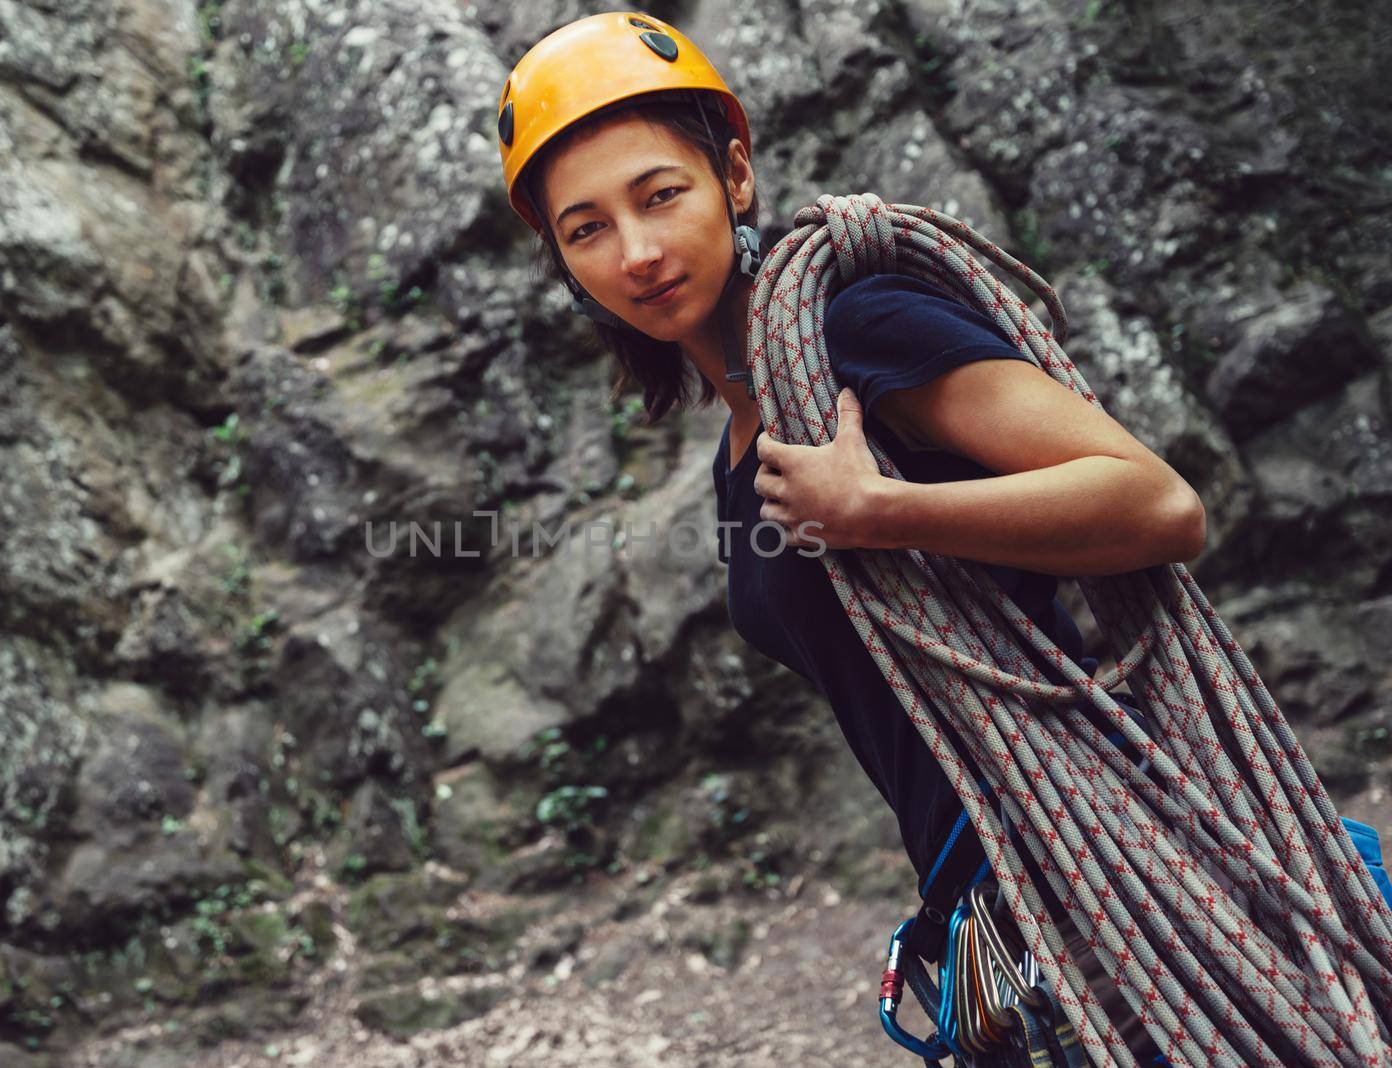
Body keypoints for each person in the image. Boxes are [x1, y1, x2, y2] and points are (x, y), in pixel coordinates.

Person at [496, 12, 1200, 1064]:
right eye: (586, 229)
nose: (635, 254)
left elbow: (1155, 505)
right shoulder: (743, 435)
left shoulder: (851, 325)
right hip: (998, 904)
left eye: (660, 195)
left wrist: (883, 509)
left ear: (734, 174)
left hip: (1110, 863)